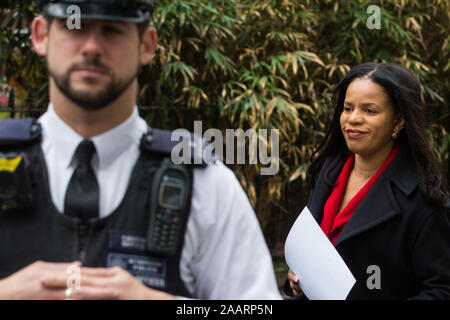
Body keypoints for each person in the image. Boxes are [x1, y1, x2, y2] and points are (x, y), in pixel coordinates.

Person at [0, 0, 281, 300]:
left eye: (112, 30)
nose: (92, 47)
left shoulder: (206, 185)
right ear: (41, 35)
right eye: (75, 26)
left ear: (146, 45)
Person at [285, 62, 450, 300]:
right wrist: (297, 279)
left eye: (369, 111)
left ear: (399, 121)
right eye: (347, 108)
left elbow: (442, 290)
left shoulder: (422, 200)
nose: (353, 119)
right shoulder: (329, 171)